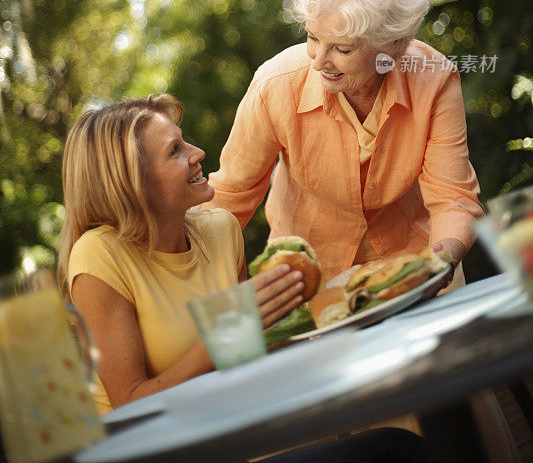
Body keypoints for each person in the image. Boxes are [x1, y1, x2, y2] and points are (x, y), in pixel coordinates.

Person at [57, 94, 429, 463]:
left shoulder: (220, 229)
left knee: (399, 442)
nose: (198, 152)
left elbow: (242, 358)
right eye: (174, 151)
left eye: (184, 140)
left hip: (236, 442)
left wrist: (313, 317)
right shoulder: (98, 254)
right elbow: (130, 405)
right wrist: (232, 330)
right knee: (393, 451)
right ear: (133, 183)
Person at [208, 0, 484, 288]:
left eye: (343, 48)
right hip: (307, 276)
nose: (319, 61)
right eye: (312, 37)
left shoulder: (433, 77)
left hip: (418, 262)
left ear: (394, 44)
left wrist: (438, 264)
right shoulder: (275, 86)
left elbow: (452, 197)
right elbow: (230, 197)